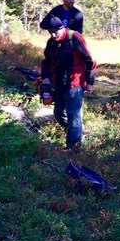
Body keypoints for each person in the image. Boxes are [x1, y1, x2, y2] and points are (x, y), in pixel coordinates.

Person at [40, 16, 96, 151]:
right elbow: (47, 61)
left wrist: (89, 82)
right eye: (50, 32)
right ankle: (75, 130)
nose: (53, 35)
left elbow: (90, 61)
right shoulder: (51, 43)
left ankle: (73, 146)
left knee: (73, 113)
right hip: (59, 83)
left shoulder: (74, 38)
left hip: (75, 83)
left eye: (55, 32)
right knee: (58, 113)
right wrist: (46, 77)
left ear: (62, 28)